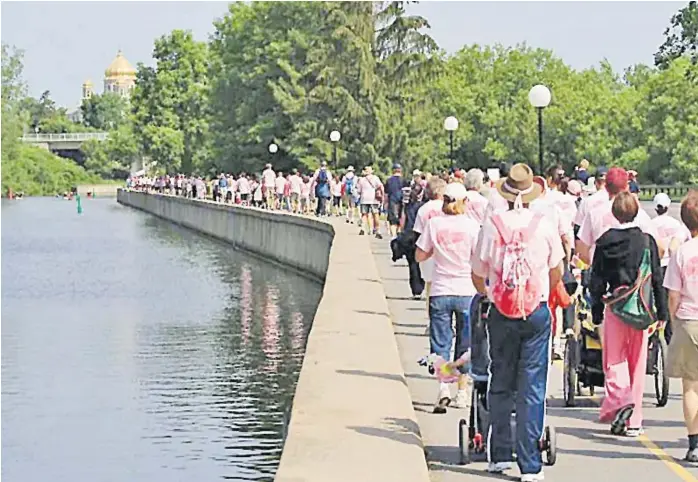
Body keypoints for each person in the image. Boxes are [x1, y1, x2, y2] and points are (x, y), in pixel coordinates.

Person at [471, 163, 564, 481]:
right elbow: (556, 270)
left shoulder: (492, 223)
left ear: (506, 193)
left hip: (501, 312)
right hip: (536, 311)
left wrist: (493, 294)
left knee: (501, 380)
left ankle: (499, 454)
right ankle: (530, 465)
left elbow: (478, 273)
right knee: (532, 387)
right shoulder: (545, 223)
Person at [589, 192, 668, 437]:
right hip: (641, 308)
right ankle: (634, 421)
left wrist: (597, 311)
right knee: (637, 361)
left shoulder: (604, 241)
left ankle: (621, 399)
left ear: (614, 213)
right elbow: (656, 278)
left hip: (615, 306)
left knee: (614, 360)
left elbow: (596, 282)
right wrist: (661, 313)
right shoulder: (646, 241)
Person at [416, 182, 481, 413]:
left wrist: (438, 250)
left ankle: (444, 388)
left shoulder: (434, 224)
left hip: (440, 289)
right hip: (466, 290)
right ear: (465, 202)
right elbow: (479, 260)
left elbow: (420, 255)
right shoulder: (473, 227)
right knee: (466, 344)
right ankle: (462, 392)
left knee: (440, 343)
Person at [664, 191, 698, 463]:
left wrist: (673, 322)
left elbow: (673, 294)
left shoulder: (681, 252)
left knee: (691, 387)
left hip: (689, 319)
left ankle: (694, 444)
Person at [577, 167, 662, 266]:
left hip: (603, 274)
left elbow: (581, 251)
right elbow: (660, 249)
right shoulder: (639, 214)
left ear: (606, 187)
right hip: (634, 275)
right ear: (627, 187)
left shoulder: (594, 214)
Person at [652, 193, 692, 342]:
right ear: (668, 206)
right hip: (673, 265)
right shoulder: (676, 224)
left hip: (659, 266)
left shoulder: (652, 224)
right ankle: (671, 335)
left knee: (661, 302)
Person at [414, 177, 447, 316]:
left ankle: (431, 316)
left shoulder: (423, 209)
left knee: (430, 287)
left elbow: (418, 232)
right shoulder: (447, 207)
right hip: (445, 250)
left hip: (428, 251)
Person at [357, 166, 384, 239]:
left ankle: (363, 228)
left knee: (364, 214)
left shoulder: (361, 180)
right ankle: (377, 230)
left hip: (364, 199)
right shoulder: (375, 178)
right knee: (375, 214)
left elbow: (358, 191)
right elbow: (381, 187)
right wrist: (382, 196)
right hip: (373, 199)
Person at [385, 163, 406, 238]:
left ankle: (393, 236)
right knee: (400, 218)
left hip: (392, 200)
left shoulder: (389, 180)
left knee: (392, 219)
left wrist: (385, 203)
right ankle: (399, 233)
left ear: (393, 170)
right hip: (402, 201)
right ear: (400, 170)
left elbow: (386, 194)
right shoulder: (404, 180)